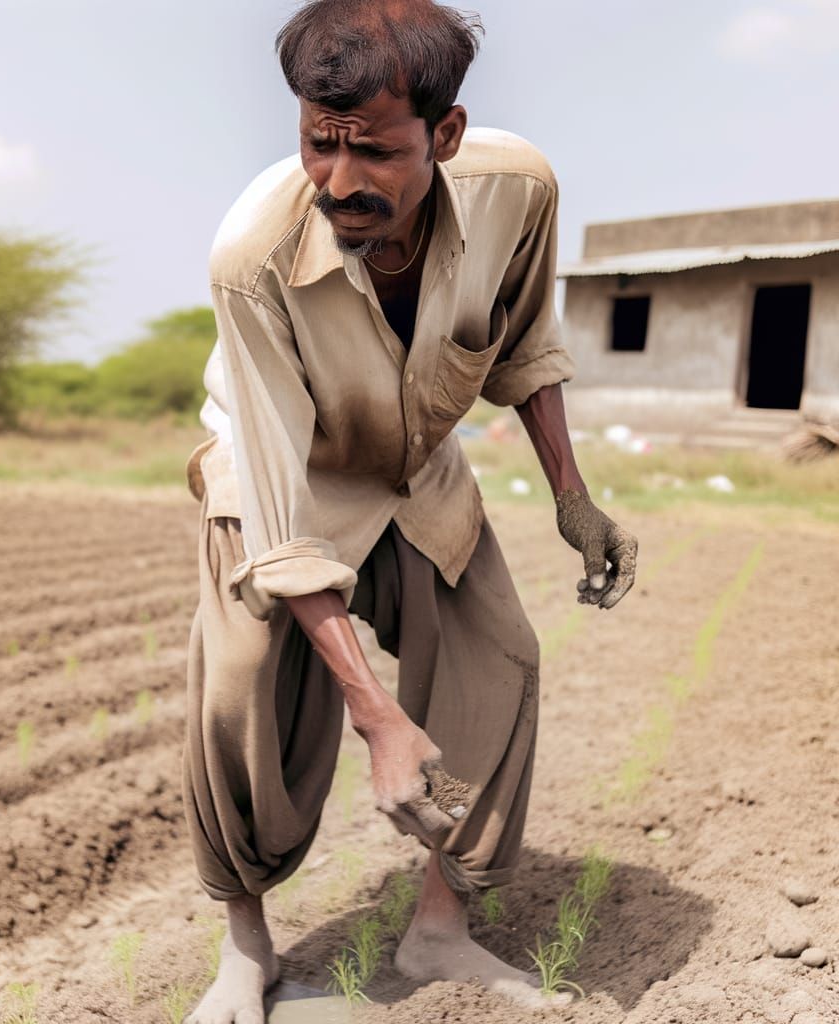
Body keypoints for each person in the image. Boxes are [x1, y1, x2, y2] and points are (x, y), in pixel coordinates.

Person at [181, 1, 639, 1019]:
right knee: (242, 690)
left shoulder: (518, 193)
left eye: (376, 152)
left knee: (500, 658)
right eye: (316, 144)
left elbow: (520, 346)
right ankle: (245, 950)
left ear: (445, 135)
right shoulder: (251, 259)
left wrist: (574, 499)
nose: (341, 181)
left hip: (417, 471)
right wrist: (375, 710)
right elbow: (280, 505)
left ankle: (438, 932)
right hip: (278, 472)